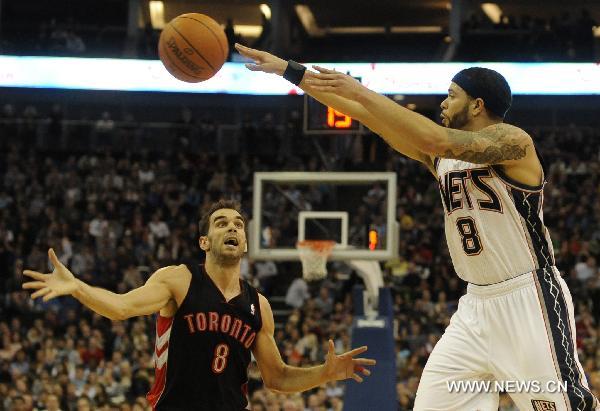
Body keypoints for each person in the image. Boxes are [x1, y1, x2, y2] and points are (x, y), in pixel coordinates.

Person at [235, 43, 600, 411]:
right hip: (475, 306)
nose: (443, 103)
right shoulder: (440, 158)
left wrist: (359, 87)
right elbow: (360, 111)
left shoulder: (514, 142)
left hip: (528, 297)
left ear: (477, 105)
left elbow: (432, 136)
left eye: (451, 95)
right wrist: (289, 70)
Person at [22, 199, 375, 410]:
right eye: (221, 224)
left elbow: (277, 376)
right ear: (205, 241)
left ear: (246, 243)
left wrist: (324, 374)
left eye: (238, 224)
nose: (232, 228)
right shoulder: (178, 279)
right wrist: (77, 286)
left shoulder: (259, 305)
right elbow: (120, 307)